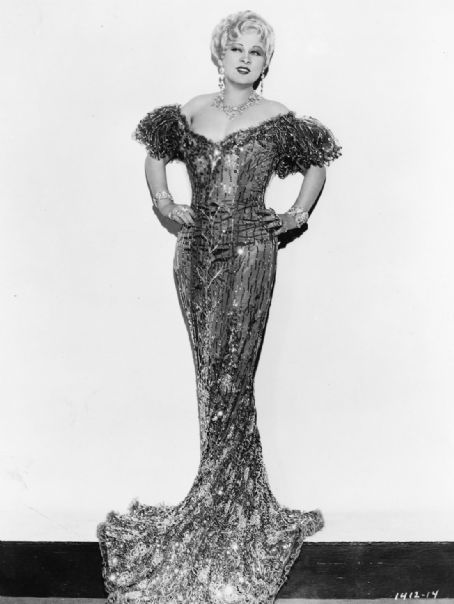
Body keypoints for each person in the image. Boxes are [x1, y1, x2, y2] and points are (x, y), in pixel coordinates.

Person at [97, 9, 342, 604]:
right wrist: (164, 200)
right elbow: (155, 154)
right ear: (220, 53)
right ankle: (216, 502)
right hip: (195, 255)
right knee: (210, 375)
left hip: (253, 252)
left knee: (233, 376)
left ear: (265, 62)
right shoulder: (189, 111)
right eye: (237, 48)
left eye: (256, 52)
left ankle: (233, 510)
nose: (245, 58)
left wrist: (296, 214)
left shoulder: (277, 117)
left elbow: (317, 166)